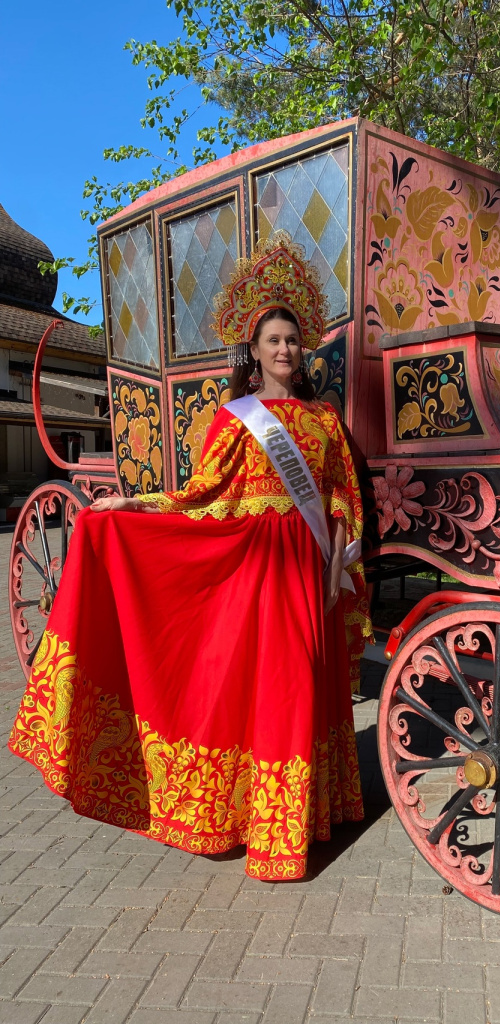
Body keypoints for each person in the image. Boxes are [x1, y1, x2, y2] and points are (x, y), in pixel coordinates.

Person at [9, 232, 371, 881]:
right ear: (254, 352)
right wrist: (136, 505)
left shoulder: (324, 421)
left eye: (293, 340)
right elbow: (203, 493)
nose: (285, 350)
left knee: (302, 683)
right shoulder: (236, 418)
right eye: (273, 341)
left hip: (308, 562)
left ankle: (306, 814)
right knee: (273, 682)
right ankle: (267, 829)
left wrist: (339, 556)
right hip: (258, 565)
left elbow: (342, 495)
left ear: (303, 349)